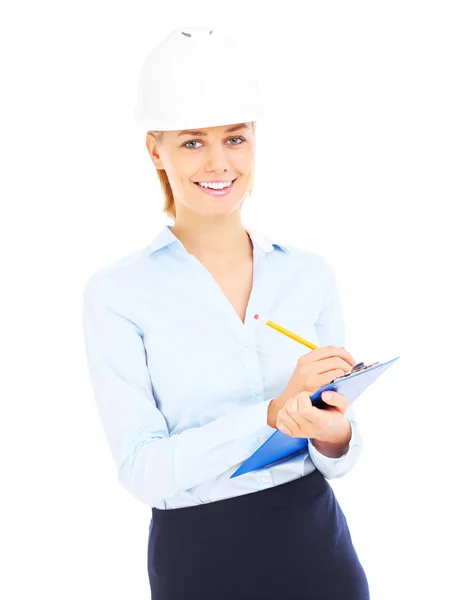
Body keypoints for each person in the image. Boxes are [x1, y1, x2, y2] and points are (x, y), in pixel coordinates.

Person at [82, 26, 370, 599]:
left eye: (235, 138)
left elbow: (339, 445)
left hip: (319, 548)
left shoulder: (308, 274)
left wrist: (334, 432)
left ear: (255, 140)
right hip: (201, 563)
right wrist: (271, 413)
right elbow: (144, 470)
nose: (219, 162)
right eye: (192, 142)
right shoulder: (118, 294)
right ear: (154, 149)